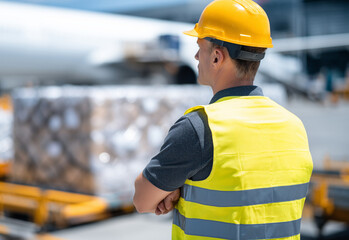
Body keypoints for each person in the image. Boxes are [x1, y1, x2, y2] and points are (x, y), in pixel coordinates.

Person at [133, 0, 313, 239]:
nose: (196, 56)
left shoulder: (200, 128)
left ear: (217, 57)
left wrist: (176, 189)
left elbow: (142, 200)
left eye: (200, 47)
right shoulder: (294, 126)